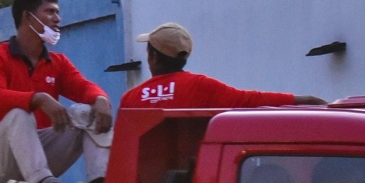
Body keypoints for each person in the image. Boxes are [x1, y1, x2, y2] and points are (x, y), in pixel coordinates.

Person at [0, 0, 113, 183]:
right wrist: (38, 99)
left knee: (89, 112)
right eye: (50, 12)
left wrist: (100, 99)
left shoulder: (58, 62)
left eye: (57, 12)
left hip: (35, 158)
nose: (57, 19)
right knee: (19, 114)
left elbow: (83, 86)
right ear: (27, 17)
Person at [120, 23, 328, 110]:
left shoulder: (131, 98)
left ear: (153, 58)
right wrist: (303, 100)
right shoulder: (201, 87)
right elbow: (251, 100)